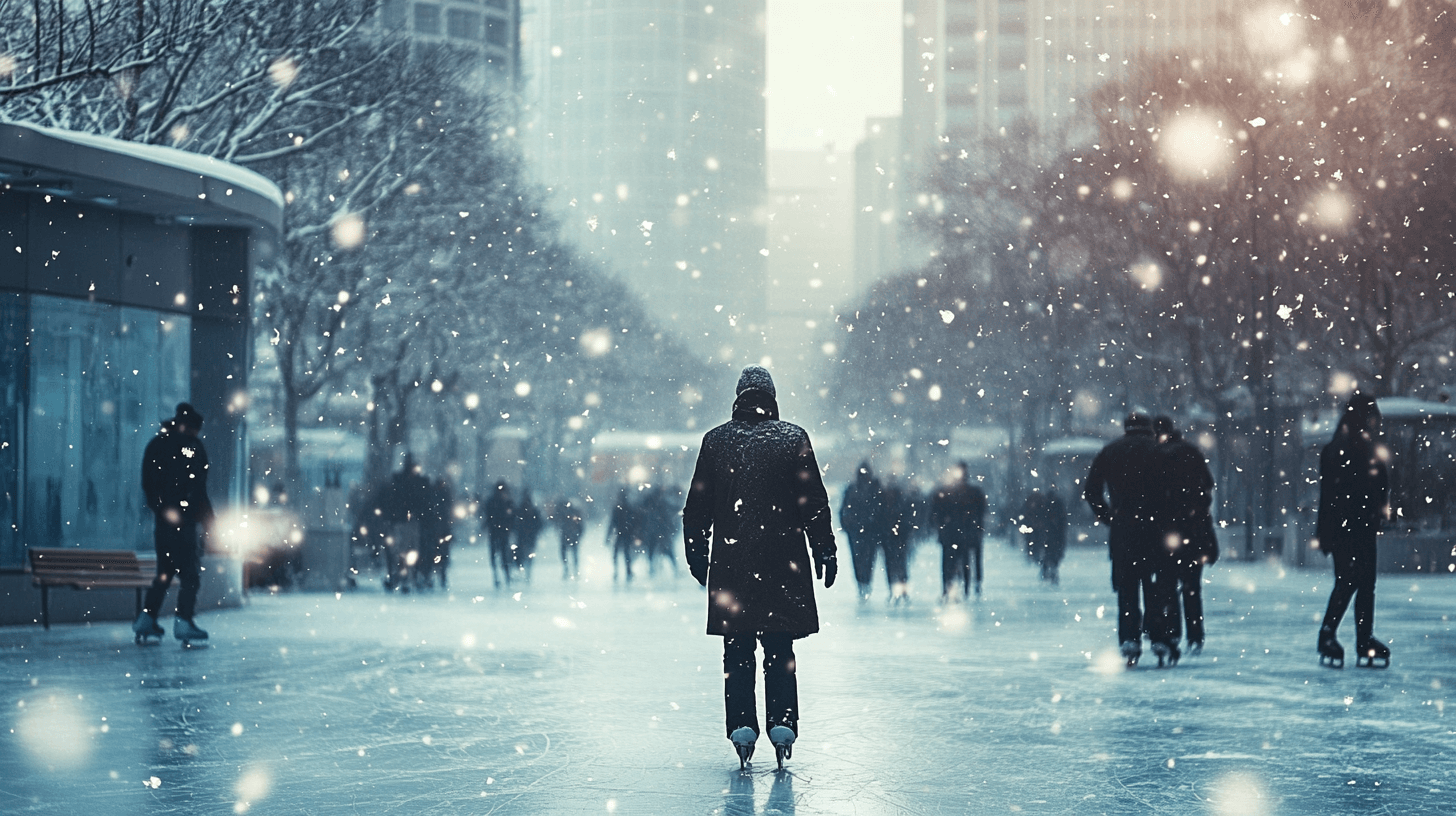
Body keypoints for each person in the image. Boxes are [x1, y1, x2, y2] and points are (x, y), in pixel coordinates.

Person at [683, 365, 837, 770]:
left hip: (732, 564)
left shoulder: (715, 442)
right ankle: (782, 723)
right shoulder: (793, 439)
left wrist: (698, 554)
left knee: (737, 648)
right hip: (782, 563)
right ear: (771, 398)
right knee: (778, 646)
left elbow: (696, 507)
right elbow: (813, 503)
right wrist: (825, 549)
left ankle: (742, 727)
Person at [1084, 412, 1179, 667]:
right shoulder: (1160, 452)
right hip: (1156, 529)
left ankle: (1130, 639)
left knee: (1127, 588)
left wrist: (1109, 517)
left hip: (1124, 529)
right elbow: (1176, 490)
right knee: (1155, 587)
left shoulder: (1110, 451)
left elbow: (1091, 490)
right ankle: (1158, 637)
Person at [1315, 392, 1390, 668]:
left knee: (1350, 581)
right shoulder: (1358, 447)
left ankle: (1335, 636)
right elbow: (1369, 486)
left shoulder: (1340, 445)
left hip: (1344, 527)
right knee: (1359, 582)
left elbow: (1330, 494)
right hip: (1357, 526)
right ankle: (1358, 639)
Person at [134, 402, 215, 645]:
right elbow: (198, 489)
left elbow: (148, 484)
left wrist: (161, 509)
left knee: (164, 573)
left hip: (163, 523)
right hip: (185, 522)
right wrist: (208, 521)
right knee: (190, 575)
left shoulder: (157, 445)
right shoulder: (192, 447)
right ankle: (183, 621)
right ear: (191, 427)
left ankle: (146, 619)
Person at [1155, 416, 1218, 655]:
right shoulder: (1191, 452)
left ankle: (1173, 633)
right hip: (1195, 530)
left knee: (1168, 586)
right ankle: (1195, 635)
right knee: (1192, 586)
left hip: (1167, 530)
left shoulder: (1158, 455)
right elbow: (1207, 485)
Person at [931, 462, 988, 601]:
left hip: (963, 533)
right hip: (952, 533)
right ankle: (948, 587)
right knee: (949, 562)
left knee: (963, 561)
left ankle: (964, 587)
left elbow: (981, 511)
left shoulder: (972, 492)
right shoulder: (946, 491)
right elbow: (936, 511)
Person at [839, 462, 884, 602]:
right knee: (864, 559)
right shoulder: (862, 489)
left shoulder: (859, 489)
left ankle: (863, 583)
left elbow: (845, 509)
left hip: (864, 530)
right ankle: (863, 583)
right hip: (862, 530)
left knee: (862, 558)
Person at [1018, 484, 1068, 585]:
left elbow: (1039, 516)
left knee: (1048, 552)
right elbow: (1062, 519)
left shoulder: (1045, 503)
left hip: (1048, 532)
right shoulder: (1056, 503)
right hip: (1055, 533)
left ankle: (1046, 569)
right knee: (1054, 552)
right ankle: (1051, 569)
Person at [880, 479, 914, 604]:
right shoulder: (901, 503)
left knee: (893, 566)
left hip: (891, 539)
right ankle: (901, 591)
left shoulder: (885, 504)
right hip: (897, 538)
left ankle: (894, 591)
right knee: (900, 565)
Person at [483, 481, 516, 589]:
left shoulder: (493, 501)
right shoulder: (506, 501)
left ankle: (499, 576)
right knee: (503, 554)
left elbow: (488, 515)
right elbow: (512, 516)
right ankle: (505, 576)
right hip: (502, 532)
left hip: (496, 531)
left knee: (496, 554)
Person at [609, 486, 640, 583]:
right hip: (626, 533)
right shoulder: (628, 508)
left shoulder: (620, 508)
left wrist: (609, 535)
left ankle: (619, 571)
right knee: (625, 554)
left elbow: (612, 523)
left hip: (622, 533)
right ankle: (627, 571)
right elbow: (634, 522)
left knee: (618, 553)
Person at [514, 489, 543, 583]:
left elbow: (516, 522)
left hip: (523, 536)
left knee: (522, 554)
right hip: (529, 536)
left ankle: (524, 571)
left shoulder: (520, 509)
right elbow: (539, 523)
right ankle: (527, 572)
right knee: (528, 554)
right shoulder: (532, 509)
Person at [556, 497, 585, 580]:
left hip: (567, 535)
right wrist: (579, 534)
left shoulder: (564, 514)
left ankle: (567, 568)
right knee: (573, 553)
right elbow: (580, 525)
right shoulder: (573, 514)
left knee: (565, 552)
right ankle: (574, 569)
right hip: (572, 536)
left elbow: (560, 524)